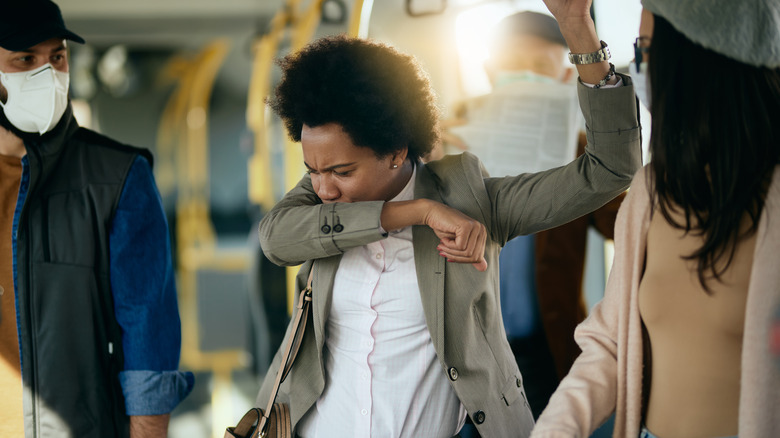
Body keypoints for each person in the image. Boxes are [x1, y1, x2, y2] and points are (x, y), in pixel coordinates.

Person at [253, 27, 640, 437]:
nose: (325, 187)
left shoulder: (471, 201)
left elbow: (610, 169)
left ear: (396, 151)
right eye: (313, 170)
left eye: (342, 172)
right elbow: (275, 239)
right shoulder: (319, 198)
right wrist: (417, 212)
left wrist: (580, 33)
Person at [532, 0, 780, 436]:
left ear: (697, 62)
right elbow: (609, 344)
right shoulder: (652, 191)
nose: (639, 68)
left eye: (644, 52)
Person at [0, 1, 194, 437]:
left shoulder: (118, 176)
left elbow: (147, 327)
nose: (47, 74)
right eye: (25, 59)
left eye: (57, 56)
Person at [438, 11, 626, 420]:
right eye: (511, 66)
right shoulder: (448, 146)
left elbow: (626, 223)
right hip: (461, 355)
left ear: (564, 77)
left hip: (546, 346)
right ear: (490, 72)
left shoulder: (584, 159)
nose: (524, 76)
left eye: (540, 66)